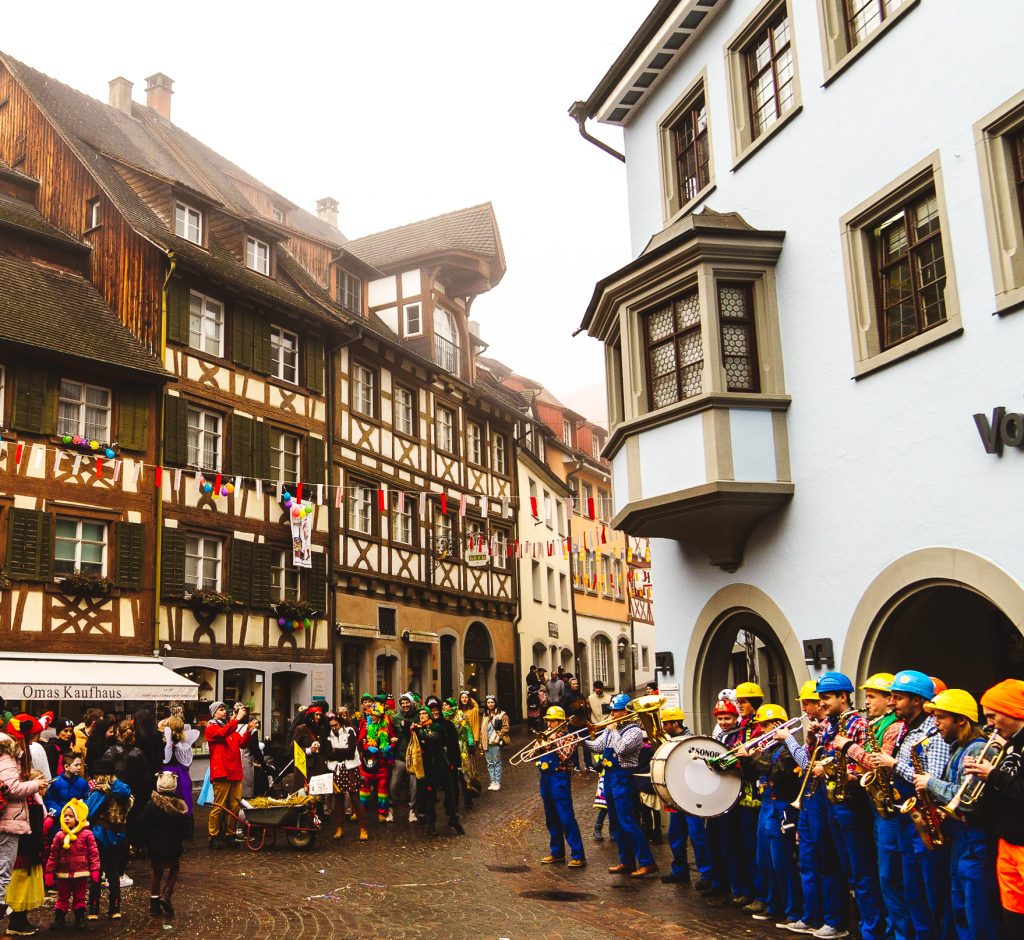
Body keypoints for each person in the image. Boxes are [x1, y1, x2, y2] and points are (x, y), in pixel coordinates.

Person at [865, 670, 950, 940]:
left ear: (917, 700)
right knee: (910, 887)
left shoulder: (932, 733)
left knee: (929, 890)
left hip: (924, 820)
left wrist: (893, 765)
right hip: (905, 818)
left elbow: (932, 777)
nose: (891, 703)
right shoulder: (905, 729)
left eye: (898, 698)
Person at [912, 689, 1003, 939]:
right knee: (960, 909)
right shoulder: (958, 748)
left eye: (941, 717)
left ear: (961, 719)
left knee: (978, 913)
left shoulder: (977, 750)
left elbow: (967, 800)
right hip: (960, 838)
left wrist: (930, 783)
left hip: (975, 839)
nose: (935, 723)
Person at [815, 671, 884, 940]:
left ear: (843, 697)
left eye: (826, 698)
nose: (821, 703)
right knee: (843, 867)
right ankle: (851, 923)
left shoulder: (857, 724)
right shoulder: (830, 724)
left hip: (851, 803)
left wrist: (835, 768)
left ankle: (872, 930)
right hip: (832, 800)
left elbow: (866, 764)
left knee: (862, 870)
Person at [778, 679, 850, 938]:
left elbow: (809, 765)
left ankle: (833, 919)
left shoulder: (836, 726)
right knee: (807, 860)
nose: (809, 707)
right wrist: (808, 739)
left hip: (823, 798)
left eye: (810, 703)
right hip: (810, 798)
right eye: (811, 702)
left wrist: (791, 742)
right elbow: (811, 761)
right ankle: (811, 915)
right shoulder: (822, 729)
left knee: (826, 860)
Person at [842, 671, 910, 940]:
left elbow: (878, 762)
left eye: (872, 697)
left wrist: (849, 747)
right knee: (880, 873)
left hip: (889, 808)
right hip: (875, 804)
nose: (867, 702)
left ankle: (895, 932)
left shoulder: (893, 726)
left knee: (889, 876)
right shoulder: (876, 724)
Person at [965, 678, 1024, 935]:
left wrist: (993, 775)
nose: (988, 723)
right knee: (1011, 916)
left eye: (992, 715)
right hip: (1007, 840)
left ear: (1012, 711)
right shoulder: (1009, 744)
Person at [736, 704, 803, 929]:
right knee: (764, 859)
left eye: (767, 725)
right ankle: (773, 905)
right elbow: (754, 773)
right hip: (766, 804)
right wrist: (745, 759)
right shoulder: (766, 748)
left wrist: (751, 756)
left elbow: (776, 771)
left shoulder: (787, 749)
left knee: (781, 860)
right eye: (762, 725)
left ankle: (792, 910)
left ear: (778, 724)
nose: (764, 730)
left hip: (781, 805)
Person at [584, 692, 657, 877]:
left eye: (615, 711)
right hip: (609, 777)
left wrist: (613, 729)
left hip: (624, 778)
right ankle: (626, 861)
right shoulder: (611, 729)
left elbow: (621, 748)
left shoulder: (634, 732)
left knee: (628, 822)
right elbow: (598, 746)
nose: (612, 714)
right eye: (612, 711)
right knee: (616, 823)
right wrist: (582, 740)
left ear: (625, 712)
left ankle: (647, 862)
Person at [0, 716, 49, 937]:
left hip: (11, 819)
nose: (32, 744)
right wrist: (35, 784)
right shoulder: (8, 755)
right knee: (3, 876)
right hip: (9, 821)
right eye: (30, 739)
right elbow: (11, 788)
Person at [659, 706, 716, 891]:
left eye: (666, 723)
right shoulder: (668, 741)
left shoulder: (692, 742)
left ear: (675, 723)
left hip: (691, 798)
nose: (663, 727)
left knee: (698, 837)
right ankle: (680, 871)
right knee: (676, 836)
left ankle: (707, 874)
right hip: (676, 796)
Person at [536, 706, 586, 868]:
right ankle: (557, 852)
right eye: (548, 721)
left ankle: (578, 855)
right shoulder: (545, 736)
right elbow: (531, 756)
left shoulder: (570, 736)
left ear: (561, 722)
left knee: (566, 817)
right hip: (545, 779)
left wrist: (553, 740)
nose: (549, 724)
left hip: (560, 780)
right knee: (551, 818)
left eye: (553, 721)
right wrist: (540, 743)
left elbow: (565, 755)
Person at [731, 681, 765, 913]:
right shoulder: (741, 726)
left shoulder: (759, 726)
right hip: (740, 793)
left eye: (743, 701)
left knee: (755, 849)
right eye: (739, 701)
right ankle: (747, 890)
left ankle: (760, 894)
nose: (740, 705)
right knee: (741, 847)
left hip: (756, 795)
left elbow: (759, 757)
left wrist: (743, 755)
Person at [84, 757, 131, 921]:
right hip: (118, 836)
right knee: (113, 872)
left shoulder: (101, 791)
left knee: (97, 872)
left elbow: (87, 813)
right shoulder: (124, 790)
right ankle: (115, 908)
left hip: (100, 835)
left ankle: (94, 909)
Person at [204, 701, 256, 849]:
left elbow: (242, 744)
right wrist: (237, 719)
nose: (224, 712)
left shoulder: (229, 728)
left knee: (234, 806)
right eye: (220, 710)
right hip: (222, 772)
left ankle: (230, 834)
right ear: (214, 713)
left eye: (224, 709)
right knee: (219, 806)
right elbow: (222, 734)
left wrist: (248, 732)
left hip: (235, 772)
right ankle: (213, 835)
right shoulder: (211, 728)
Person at [44, 799, 99, 932]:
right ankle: (59, 918)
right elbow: (53, 855)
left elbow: (93, 853)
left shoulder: (87, 835)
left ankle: (80, 918)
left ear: (78, 818)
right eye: (65, 815)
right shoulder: (59, 835)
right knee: (62, 896)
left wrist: (95, 869)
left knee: (80, 896)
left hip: (81, 872)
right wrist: (49, 872)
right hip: (64, 873)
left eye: (71, 816)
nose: (67, 818)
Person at [141, 771, 189, 917]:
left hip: (155, 846)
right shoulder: (178, 805)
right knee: (174, 868)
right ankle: (166, 894)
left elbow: (143, 825)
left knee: (157, 873)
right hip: (173, 844)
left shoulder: (150, 805)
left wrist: (143, 843)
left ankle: (154, 905)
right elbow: (185, 828)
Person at [412, 699, 462, 836]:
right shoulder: (417, 728)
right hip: (426, 766)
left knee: (448, 792)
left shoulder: (437, 727)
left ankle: (453, 817)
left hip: (440, 764)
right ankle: (430, 822)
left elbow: (434, 738)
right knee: (429, 794)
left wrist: (420, 733)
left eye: (424, 713)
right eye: (420, 714)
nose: (422, 716)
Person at [325, 709, 364, 841]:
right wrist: (338, 752)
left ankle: (363, 828)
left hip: (350, 768)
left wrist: (336, 751)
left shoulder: (350, 732)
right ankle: (339, 828)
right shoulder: (329, 735)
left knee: (355, 799)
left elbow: (351, 751)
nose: (334, 728)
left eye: (336, 725)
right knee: (339, 800)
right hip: (337, 769)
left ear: (340, 724)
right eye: (331, 726)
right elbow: (328, 754)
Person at [358, 702, 392, 824]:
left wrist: (390, 746)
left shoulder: (387, 725)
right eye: (371, 715)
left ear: (381, 716)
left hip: (382, 762)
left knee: (382, 788)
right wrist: (367, 747)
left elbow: (393, 738)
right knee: (364, 786)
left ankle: (382, 813)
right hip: (368, 761)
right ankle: (360, 811)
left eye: (374, 715)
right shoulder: (366, 725)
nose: (371, 717)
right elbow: (360, 741)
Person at [389, 693, 418, 820]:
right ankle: (390, 808)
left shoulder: (418, 717)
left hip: (414, 756)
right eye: (402, 703)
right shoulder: (395, 718)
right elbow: (390, 733)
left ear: (411, 703)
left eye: (407, 702)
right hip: (400, 755)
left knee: (414, 785)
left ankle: (413, 810)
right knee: (394, 784)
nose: (405, 705)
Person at [480, 695, 509, 791]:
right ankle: (492, 781)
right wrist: (481, 741)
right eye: (488, 702)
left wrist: (498, 736)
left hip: (495, 742)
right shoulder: (485, 715)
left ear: (495, 703)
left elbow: (506, 727)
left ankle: (497, 782)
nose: (490, 704)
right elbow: (482, 730)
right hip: (486, 742)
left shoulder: (502, 714)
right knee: (489, 763)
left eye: (492, 702)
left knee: (496, 762)